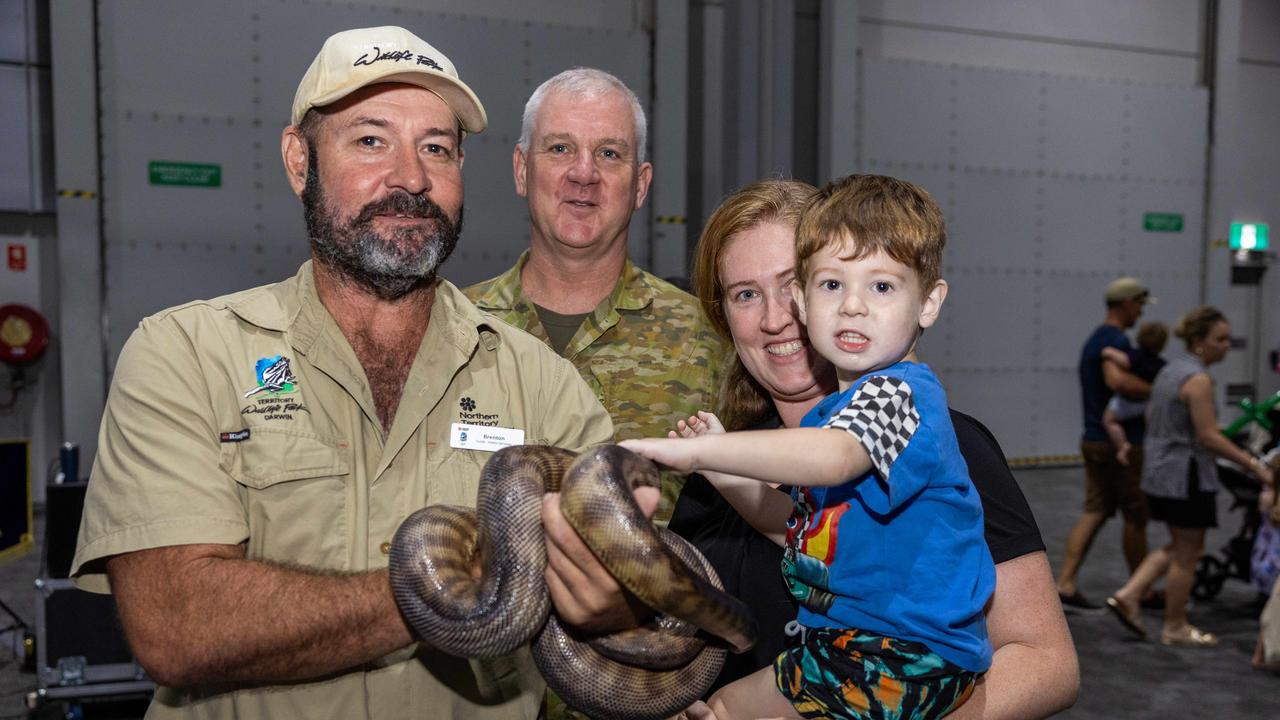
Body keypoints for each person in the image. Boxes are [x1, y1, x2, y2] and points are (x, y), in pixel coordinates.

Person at [69, 26, 618, 719]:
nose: (411, 178)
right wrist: (455, 591)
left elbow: (609, 602)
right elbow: (176, 623)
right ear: (300, 160)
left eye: (437, 149)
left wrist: (608, 595)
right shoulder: (186, 354)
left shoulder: (544, 386)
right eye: (370, 140)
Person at [666, 179, 1078, 718]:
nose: (774, 318)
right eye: (745, 294)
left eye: (794, 283)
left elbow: (1047, 664)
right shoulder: (720, 463)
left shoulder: (942, 441)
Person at [464, 67, 725, 524]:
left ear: (640, 185)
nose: (584, 174)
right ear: (522, 170)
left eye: (609, 153)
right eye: (560, 148)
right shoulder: (451, 327)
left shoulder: (707, 341)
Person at [1106, 306, 1274, 646]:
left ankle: (1130, 593)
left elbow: (1157, 417)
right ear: (1199, 342)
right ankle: (1175, 625)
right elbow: (1209, 437)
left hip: (1160, 472)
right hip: (1186, 476)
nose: (1227, 346)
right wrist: (1254, 465)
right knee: (1188, 553)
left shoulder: (1169, 371)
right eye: (1220, 339)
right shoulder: (1198, 380)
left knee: (1179, 544)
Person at [1056, 276, 1157, 609]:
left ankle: (1066, 582)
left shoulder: (1098, 338)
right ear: (1127, 303)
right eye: (1140, 303)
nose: (1141, 311)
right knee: (1135, 514)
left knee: (1096, 510)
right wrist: (1160, 391)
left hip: (1096, 438)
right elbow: (1117, 380)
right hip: (1118, 444)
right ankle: (1140, 590)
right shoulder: (1114, 340)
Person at [1100, 321, 1169, 466]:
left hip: (1125, 402)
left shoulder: (1135, 356)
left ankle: (1122, 445)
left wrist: (1108, 352)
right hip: (1144, 403)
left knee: (1109, 421)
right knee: (1152, 423)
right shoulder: (1161, 364)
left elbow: (1120, 359)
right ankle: (1154, 441)